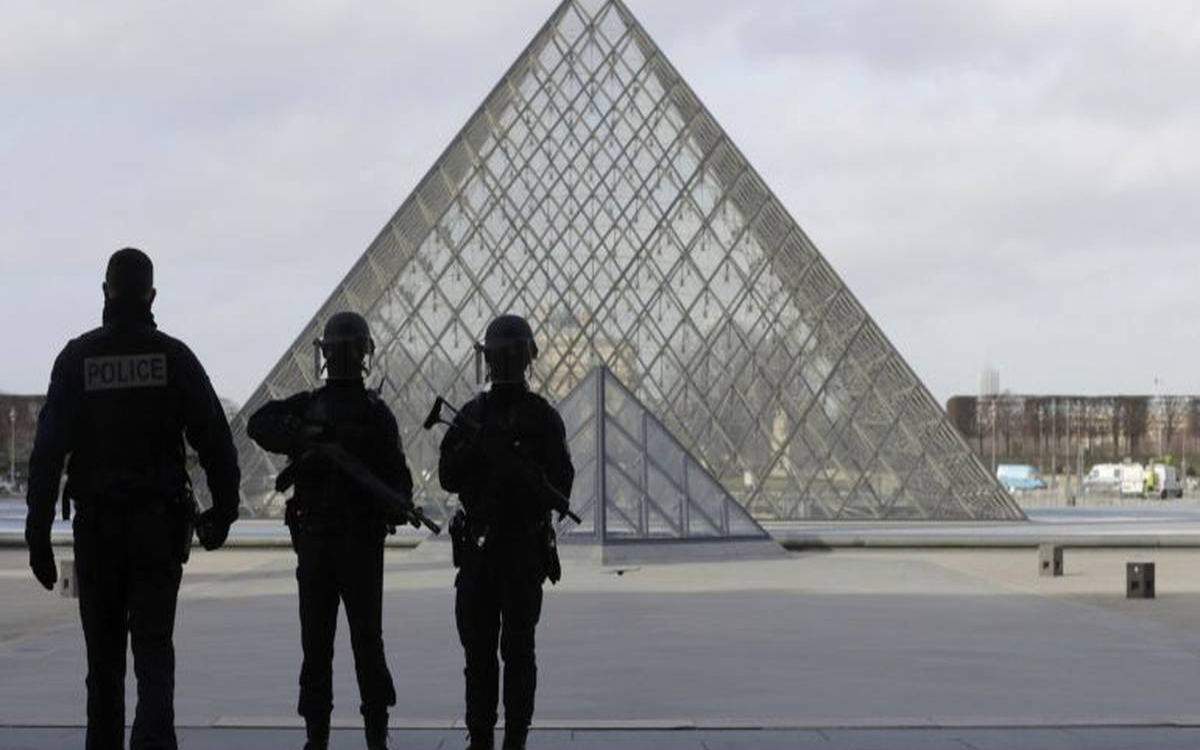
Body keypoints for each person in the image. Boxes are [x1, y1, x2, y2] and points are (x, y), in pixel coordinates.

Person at [24, 247, 241, 750]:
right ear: (151, 296)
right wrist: (224, 512)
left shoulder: (77, 359)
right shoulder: (175, 359)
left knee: (103, 667)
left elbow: (47, 454)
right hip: (156, 531)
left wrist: (37, 534)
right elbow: (216, 441)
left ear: (106, 292)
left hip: (98, 531)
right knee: (154, 654)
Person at [247, 311, 413, 750]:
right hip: (358, 547)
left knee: (317, 649)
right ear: (364, 353)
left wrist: (303, 434)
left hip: (317, 543)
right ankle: (375, 737)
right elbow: (400, 480)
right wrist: (308, 440)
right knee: (367, 645)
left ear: (326, 354)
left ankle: (316, 739)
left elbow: (258, 423)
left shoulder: (308, 404)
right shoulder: (376, 415)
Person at [438, 314, 574, 750]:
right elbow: (449, 475)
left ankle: (490, 739)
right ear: (529, 357)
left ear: (488, 359)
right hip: (508, 550)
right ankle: (509, 739)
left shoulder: (477, 412)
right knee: (512, 654)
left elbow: (559, 488)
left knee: (488, 656)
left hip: (501, 551)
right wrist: (479, 448)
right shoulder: (539, 418)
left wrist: (521, 476)